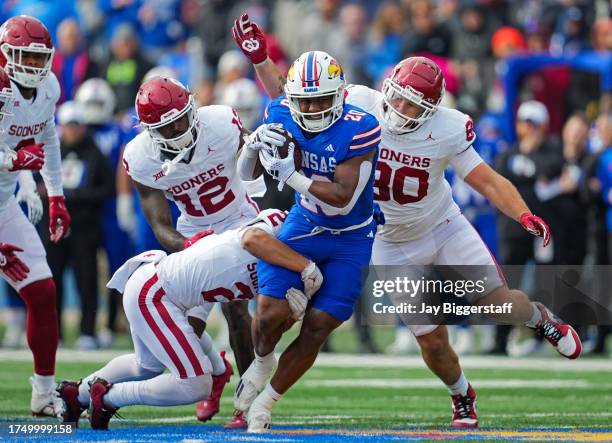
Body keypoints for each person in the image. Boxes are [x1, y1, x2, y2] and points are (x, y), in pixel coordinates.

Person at [232, 14, 583, 429]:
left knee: (499, 305)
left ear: (433, 107)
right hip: (388, 240)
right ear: (387, 88)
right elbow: (292, 101)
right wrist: (261, 59)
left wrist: (523, 212)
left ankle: (539, 318)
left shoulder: (448, 127)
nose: (400, 109)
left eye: (413, 105)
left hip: (441, 223)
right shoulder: (359, 104)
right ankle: (461, 395)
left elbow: (486, 179)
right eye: (397, 98)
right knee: (432, 341)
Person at [56, 208, 322, 430]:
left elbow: (261, 324)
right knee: (195, 384)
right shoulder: (279, 224)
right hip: (156, 292)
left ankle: (75, 395)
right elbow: (252, 239)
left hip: (161, 292)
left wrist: (293, 316)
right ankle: (110, 398)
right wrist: (306, 268)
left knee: (145, 367)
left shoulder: (295, 261)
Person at [121, 75, 284, 426]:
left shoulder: (221, 122)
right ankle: (215, 374)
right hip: (193, 231)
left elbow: (251, 173)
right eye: (167, 125)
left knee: (237, 312)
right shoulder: (140, 156)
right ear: (150, 131)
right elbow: (159, 224)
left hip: (239, 220)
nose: (179, 127)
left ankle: (243, 406)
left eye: (182, 116)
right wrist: (188, 246)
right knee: (186, 329)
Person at [235, 42, 381, 432]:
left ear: (340, 95)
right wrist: (251, 149)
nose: (313, 110)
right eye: (306, 102)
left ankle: (265, 404)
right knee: (268, 314)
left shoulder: (360, 126)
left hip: (351, 235)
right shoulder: (281, 111)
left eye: (321, 101)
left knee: (318, 324)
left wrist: (291, 175)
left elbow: (342, 197)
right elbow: (246, 179)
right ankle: (263, 359)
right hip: (304, 223)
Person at [0, 16, 71, 417]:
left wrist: (56, 194)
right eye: (23, 55)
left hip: (3, 203)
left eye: (37, 56)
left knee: (42, 291)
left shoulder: (48, 88)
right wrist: (14, 159)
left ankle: (44, 393)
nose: (31, 64)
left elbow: (47, 138)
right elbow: (21, 149)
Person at [42, 100, 113, 349]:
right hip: (54, 227)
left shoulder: (95, 152)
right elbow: (38, 185)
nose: (72, 131)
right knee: (52, 281)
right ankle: (55, 333)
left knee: (87, 279)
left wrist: (73, 196)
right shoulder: (51, 151)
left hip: (85, 226)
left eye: (76, 125)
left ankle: (87, 331)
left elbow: (107, 188)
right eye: (68, 126)